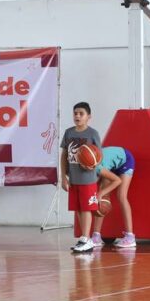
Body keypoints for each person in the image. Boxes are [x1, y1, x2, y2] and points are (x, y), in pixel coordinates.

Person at [60, 102, 103, 254]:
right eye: (75, 113)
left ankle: (86, 238)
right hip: (73, 178)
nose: (77, 116)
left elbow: (99, 155)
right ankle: (85, 239)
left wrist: (92, 164)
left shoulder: (93, 134)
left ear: (88, 117)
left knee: (86, 208)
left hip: (88, 179)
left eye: (81, 113)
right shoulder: (69, 133)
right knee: (78, 208)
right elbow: (64, 155)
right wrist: (63, 177)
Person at [91, 146, 136, 248]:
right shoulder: (89, 166)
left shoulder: (98, 167)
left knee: (121, 196)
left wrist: (100, 193)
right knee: (101, 197)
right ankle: (96, 236)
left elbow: (117, 181)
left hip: (125, 160)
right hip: (110, 164)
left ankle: (130, 237)